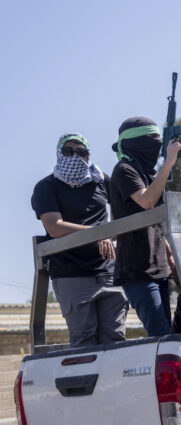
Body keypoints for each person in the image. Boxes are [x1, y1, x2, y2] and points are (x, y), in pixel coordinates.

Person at [31, 133, 128, 346]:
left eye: (81, 152)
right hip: (71, 275)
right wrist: (98, 233)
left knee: (116, 340)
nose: (75, 156)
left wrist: (114, 236)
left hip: (110, 272)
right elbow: (55, 227)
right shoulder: (46, 186)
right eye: (68, 151)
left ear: (88, 156)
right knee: (85, 340)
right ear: (59, 153)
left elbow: (123, 210)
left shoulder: (100, 179)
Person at [109, 117, 181, 337]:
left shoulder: (148, 174)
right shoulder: (124, 170)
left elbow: (157, 223)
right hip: (137, 271)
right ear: (136, 141)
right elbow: (147, 201)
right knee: (160, 332)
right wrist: (168, 162)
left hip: (158, 268)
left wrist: (170, 256)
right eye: (152, 138)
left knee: (167, 332)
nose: (157, 143)